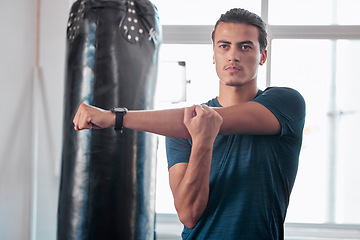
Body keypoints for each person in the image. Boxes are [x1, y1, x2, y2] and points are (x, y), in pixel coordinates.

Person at [73, 8, 306, 240]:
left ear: (262, 56)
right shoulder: (177, 127)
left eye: (245, 47)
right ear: (214, 55)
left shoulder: (286, 103)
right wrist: (202, 142)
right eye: (224, 46)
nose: (233, 56)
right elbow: (189, 214)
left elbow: (211, 119)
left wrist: (116, 117)